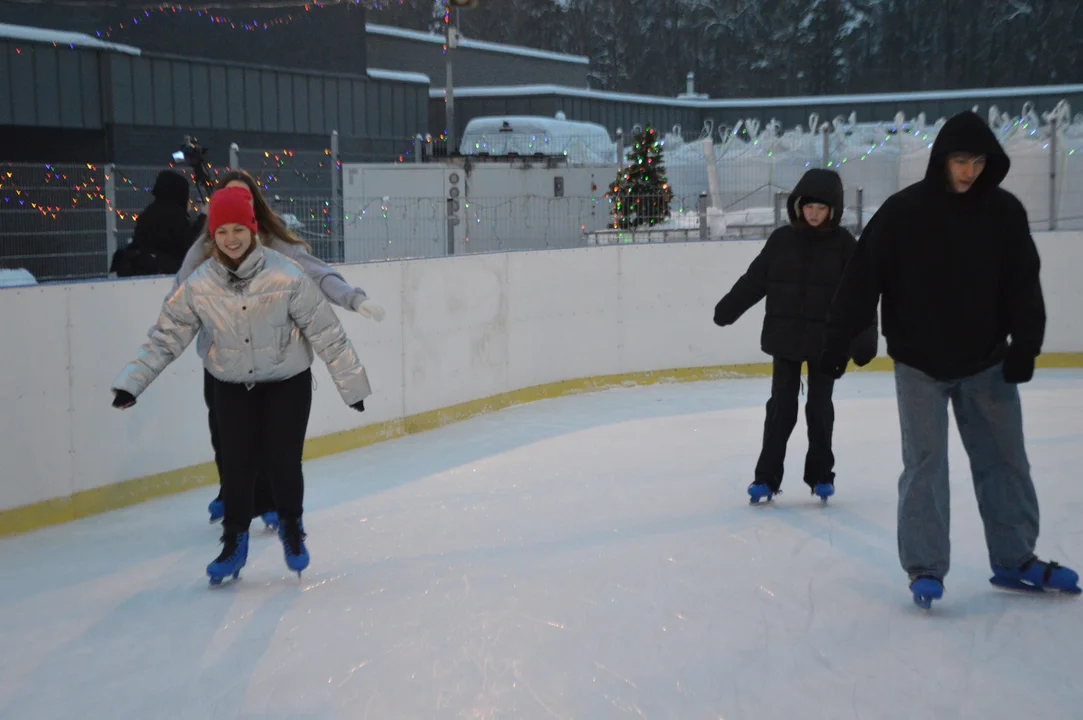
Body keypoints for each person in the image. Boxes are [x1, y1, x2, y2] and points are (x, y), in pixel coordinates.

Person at [820, 110, 1080, 609]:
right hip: (920, 363)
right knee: (925, 466)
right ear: (942, 159)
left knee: (1005, 461)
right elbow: (860, 278)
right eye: (960, 160)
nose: (969, 171)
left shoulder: (1004, 213)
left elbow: (1022, 284)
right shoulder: (902, 213)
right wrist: (837, 342)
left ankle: (1015, 558)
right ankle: (924, 567)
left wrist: (1026, 344)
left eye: (978, 161)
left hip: (987, 361)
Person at [111, 185, 372, 585]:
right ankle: (233, 543)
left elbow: (326, 333)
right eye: (222, 231)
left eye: (238, 229)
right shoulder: (200, 283)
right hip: (231, 383)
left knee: (284, 461)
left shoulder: (287, 275)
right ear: (211, 236)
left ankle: (291, 529)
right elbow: (167, 335)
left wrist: (352, 388)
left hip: (287, 381)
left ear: (252, 228)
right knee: (236, 466)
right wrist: (132, 383)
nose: (231, 238)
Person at [175, 170, 385, 528]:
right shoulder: (207, 246)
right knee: (225, 437)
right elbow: (181, 292)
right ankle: (232, 494)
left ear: (255, 203)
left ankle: (272, 501)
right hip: (222, 360)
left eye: (245, 197)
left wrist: (353, 299)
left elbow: (318, 274)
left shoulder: (276, 245)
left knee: (271, 440)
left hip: (274, 360)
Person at [713, 168, 877, 505]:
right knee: (781, 408)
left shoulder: (845, 244)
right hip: (785, 340)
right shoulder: (782, 240)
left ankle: (820, 476)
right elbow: (755, 280)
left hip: (827, 344)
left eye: (822, 208)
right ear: (797, 206)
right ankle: (765, 478)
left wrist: (863, 339)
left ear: (834, 210)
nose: (814, 214)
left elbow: (860, 293)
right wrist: (729, 307)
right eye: (809, 207)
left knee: (819, 408)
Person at [111, 169, 201, 276]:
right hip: (166, 273)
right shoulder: (173, 215)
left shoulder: (150, 212)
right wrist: (202, 219)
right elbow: (189, 244)